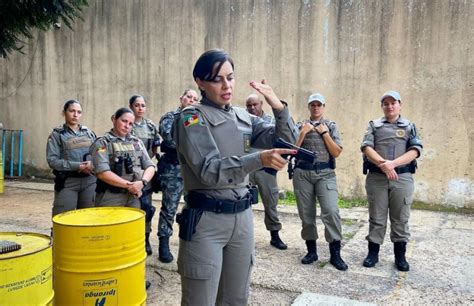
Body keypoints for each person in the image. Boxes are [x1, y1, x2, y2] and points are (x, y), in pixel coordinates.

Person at [173, 49, 297, 305]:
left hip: (242, 220)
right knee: (200, 300)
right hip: (206, 221)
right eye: (218, 79)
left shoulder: (243, 116)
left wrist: (278, 106)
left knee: (236, 298)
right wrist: (258, 159)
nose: (227, 85)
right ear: (200, 81)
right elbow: (208, 170)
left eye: (230, 77)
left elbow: (286, 141)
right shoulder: (192, 117)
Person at [360, 90, 422, 272]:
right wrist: (383, 164)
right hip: (377, 178)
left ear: (399, 104)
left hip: (402, 178)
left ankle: (400, 257)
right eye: (386, 103)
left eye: (393, 103)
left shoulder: (409, 126)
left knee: (400, 218)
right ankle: (373, 254)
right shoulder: (374, 125)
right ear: (382, 106)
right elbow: (366, 147)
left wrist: (392, 164)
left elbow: (416, 150)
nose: (390, 106)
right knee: (377, 218)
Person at [293, 93, 348, 271]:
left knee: (331, 211)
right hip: (303, 173)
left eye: (319, 105)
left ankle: (335, 254)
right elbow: (291, 151)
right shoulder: (300, 125)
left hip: (325, 173)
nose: (316, 107)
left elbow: (337, 152)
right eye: (313, 105)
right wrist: (302, 133)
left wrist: (324, 134)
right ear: (309, 107)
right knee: (306, 214)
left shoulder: (330, 126)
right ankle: (311, 251)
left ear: (323, 107)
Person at [156, 88, 199, 263]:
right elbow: (170, 140)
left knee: (195, 207)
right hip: (173, 170)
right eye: (189, 96)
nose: (191, 100)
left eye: (195, 98)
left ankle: (191, 242)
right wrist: (192, 144)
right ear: (181, 98)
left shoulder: (197, 118)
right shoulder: (170, 117)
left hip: (192, 172)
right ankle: (163, 244)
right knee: (169, 208)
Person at [90, 107, 155, 208]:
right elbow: (102, 173)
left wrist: (142, 183)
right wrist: (130, 186)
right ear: (114, 119)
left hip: (134, 196)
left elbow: (150, 166)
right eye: (124, 121)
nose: (127, 126)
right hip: (111, 196)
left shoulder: (137, 142)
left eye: (130, 124)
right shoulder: (102, 143)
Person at [245, 93, 287, 250]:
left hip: (265, 170)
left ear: (261, 104)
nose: (252, 108)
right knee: (243, 203)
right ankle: (244, 237)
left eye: (255, 104)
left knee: (271, 203)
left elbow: (279, 139)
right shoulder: (243, 121)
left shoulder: (270, 122)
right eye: (249, 105)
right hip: (247, 168)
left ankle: (275, 236)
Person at [46, 99, 96, 216]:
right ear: (64, 113)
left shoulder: (89, 133)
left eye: (79, 112)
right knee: (63, 218)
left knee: (87, 218)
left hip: (89, 181)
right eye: (72, 111)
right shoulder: (57, 135)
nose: (75, 115)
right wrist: (78, 166)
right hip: (68, 182)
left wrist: (91, 165)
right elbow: (52, 161)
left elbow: (99, 155)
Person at [129, 94, 161, 256]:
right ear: (131, 107)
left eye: (143, 105)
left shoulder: (150, 126)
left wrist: (147, 161)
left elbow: (155, 148)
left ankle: (145, 238)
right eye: (137, 105)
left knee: (146, 208)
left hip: (145, 174)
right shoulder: (127, 124)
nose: (140, 108)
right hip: (128, 174)